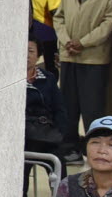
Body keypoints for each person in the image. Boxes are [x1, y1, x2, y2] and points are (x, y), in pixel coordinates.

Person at [58, 0, 112, 136]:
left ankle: (91, 146)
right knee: (67, 106)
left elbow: (108, 23)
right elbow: (58, 18)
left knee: (92, 107)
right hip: (68, 56)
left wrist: (83, 43)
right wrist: (67, 41)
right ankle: (69, 148)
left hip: (93, 59)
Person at [26, 32, 75, 160]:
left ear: (38, 55)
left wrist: (60, 133)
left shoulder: (48, 78)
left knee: (58, 160)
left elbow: (60, 109)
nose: (26, 55)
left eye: (30, 51)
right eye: (22, 50)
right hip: (23, 136)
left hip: (46, 133)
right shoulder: (10, 81)